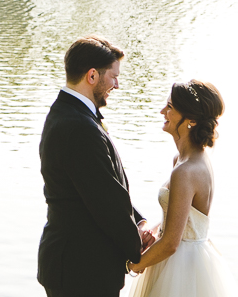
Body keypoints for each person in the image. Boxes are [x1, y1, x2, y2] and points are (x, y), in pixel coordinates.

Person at [37, 36, 154, 297]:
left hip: (77, 265)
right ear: (92, 76)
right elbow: (105, 203)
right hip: (81, 271)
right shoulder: (79, 127)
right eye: (113, 76)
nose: (117, 84)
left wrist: (139, 221)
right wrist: (138, 249)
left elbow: (101, 187)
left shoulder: (68, 114)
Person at [127, 80, 238, 297]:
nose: (163, 111)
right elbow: (185, 219)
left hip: (182, 268)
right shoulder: (184, 160)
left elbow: (171, 243)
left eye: (169, 107)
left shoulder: (186, 171)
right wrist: (152, 232)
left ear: (191, 120)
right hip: (183, 257)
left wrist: (132, 265)